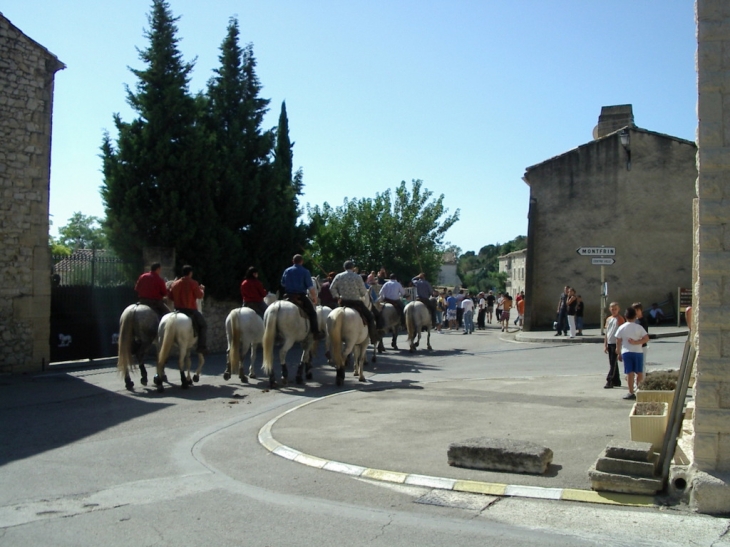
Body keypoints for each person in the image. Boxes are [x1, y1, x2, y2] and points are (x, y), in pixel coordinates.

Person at [330, 261, 378, 344]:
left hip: (343, 302)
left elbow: (332, 288)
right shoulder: (357, 277)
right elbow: (363, 292)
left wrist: (337, 296)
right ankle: (373, 338)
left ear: (344, 268)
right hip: (356, 302)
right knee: (370, 317)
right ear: (352, 268)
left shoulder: (339, 276)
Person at [281, 254, 324, 340]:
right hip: (300, 296)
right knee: (312, 313)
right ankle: (315, 333)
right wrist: (314, 298)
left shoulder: (287, 270)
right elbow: (310, 287)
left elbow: (283, 283)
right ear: (302, 262)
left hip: (287, 295)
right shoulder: (305, 271)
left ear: (293, 261)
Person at [169, 265, 207, 354]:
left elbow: (170, 297)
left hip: (177, 310)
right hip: (190, 310)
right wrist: (202, 290)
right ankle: (201, 347)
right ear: (190, 273)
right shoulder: (193, 283)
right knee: (203, 325)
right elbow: (199, 296)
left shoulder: (175, 284)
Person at [616, 307, 650, 400]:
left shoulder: (621, 327)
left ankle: (631, 392)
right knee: (639, 372)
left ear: (625, 316)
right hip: (638, 351)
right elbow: (646, 338)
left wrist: (618, 352)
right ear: (635, 316)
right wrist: (637, 342)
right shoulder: (639, 327)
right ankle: (639, 389)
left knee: (629, 372)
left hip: (626, 351)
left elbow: (618, 340)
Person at [603, 301, 626, 389]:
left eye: (615, 309)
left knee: (613, 363)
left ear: (618, 309)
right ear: (610, 309)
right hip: (610, 343)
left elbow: (622, 332)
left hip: (616, 343)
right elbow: (607, 333)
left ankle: (610, 380)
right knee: (612, 362)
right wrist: (605, 344)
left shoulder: (620, 319)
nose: (614, 311)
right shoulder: (609, 319)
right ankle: (617, 380)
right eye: (612, 309)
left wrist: (619, 346)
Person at [632, 302, 650, 367]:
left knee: (641, 365)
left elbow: (645, 335)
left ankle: (642, 377)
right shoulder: (635, 320)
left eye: (637, 310)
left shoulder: (643, 321)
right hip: (635, 345)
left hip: (642, 346)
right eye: (634, 310)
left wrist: (639, 344)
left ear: (641, 310)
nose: (636, 312)